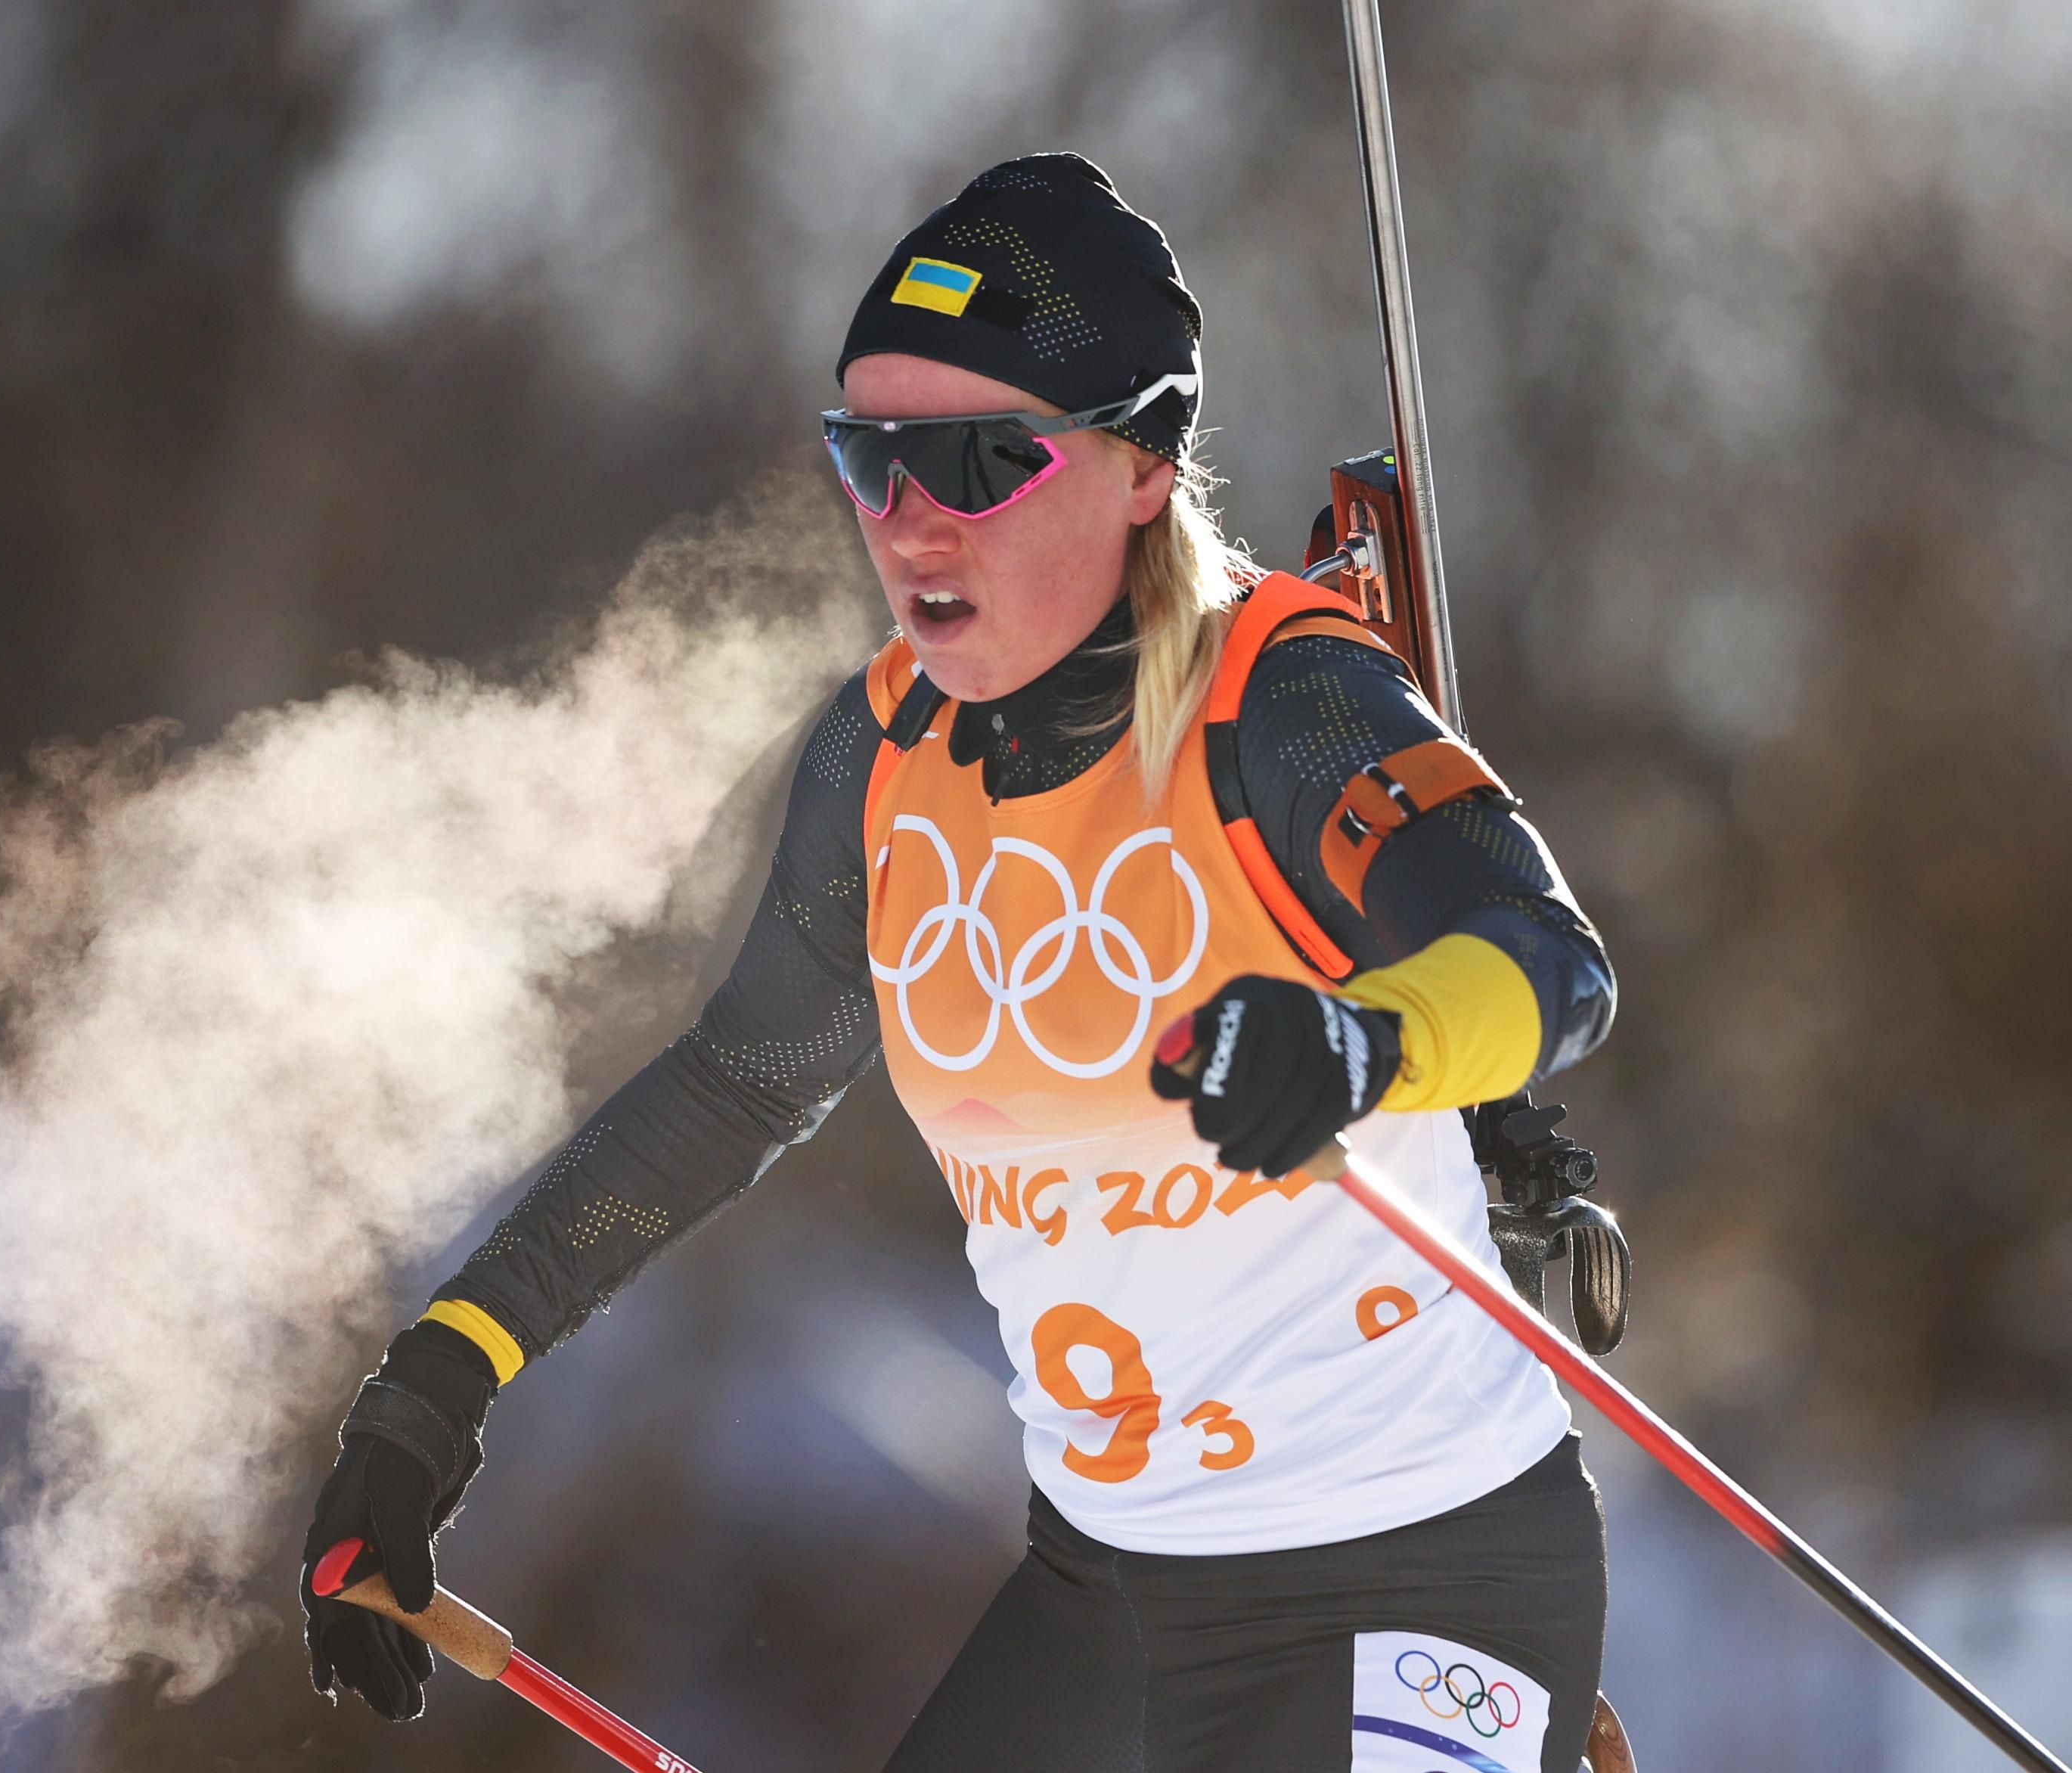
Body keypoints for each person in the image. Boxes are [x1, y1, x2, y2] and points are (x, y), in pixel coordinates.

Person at [302, 154, 1616, 1771]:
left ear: (1141, 463)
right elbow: (739, 1079)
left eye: (984, 458)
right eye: (872, 455)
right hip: (1113, 1586)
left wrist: (1362, 1045)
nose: (911, 515)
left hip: (1420, 1564)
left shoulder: (1281, 699)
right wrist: (443, 1370)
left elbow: (1542, 960)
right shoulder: (880, 759)